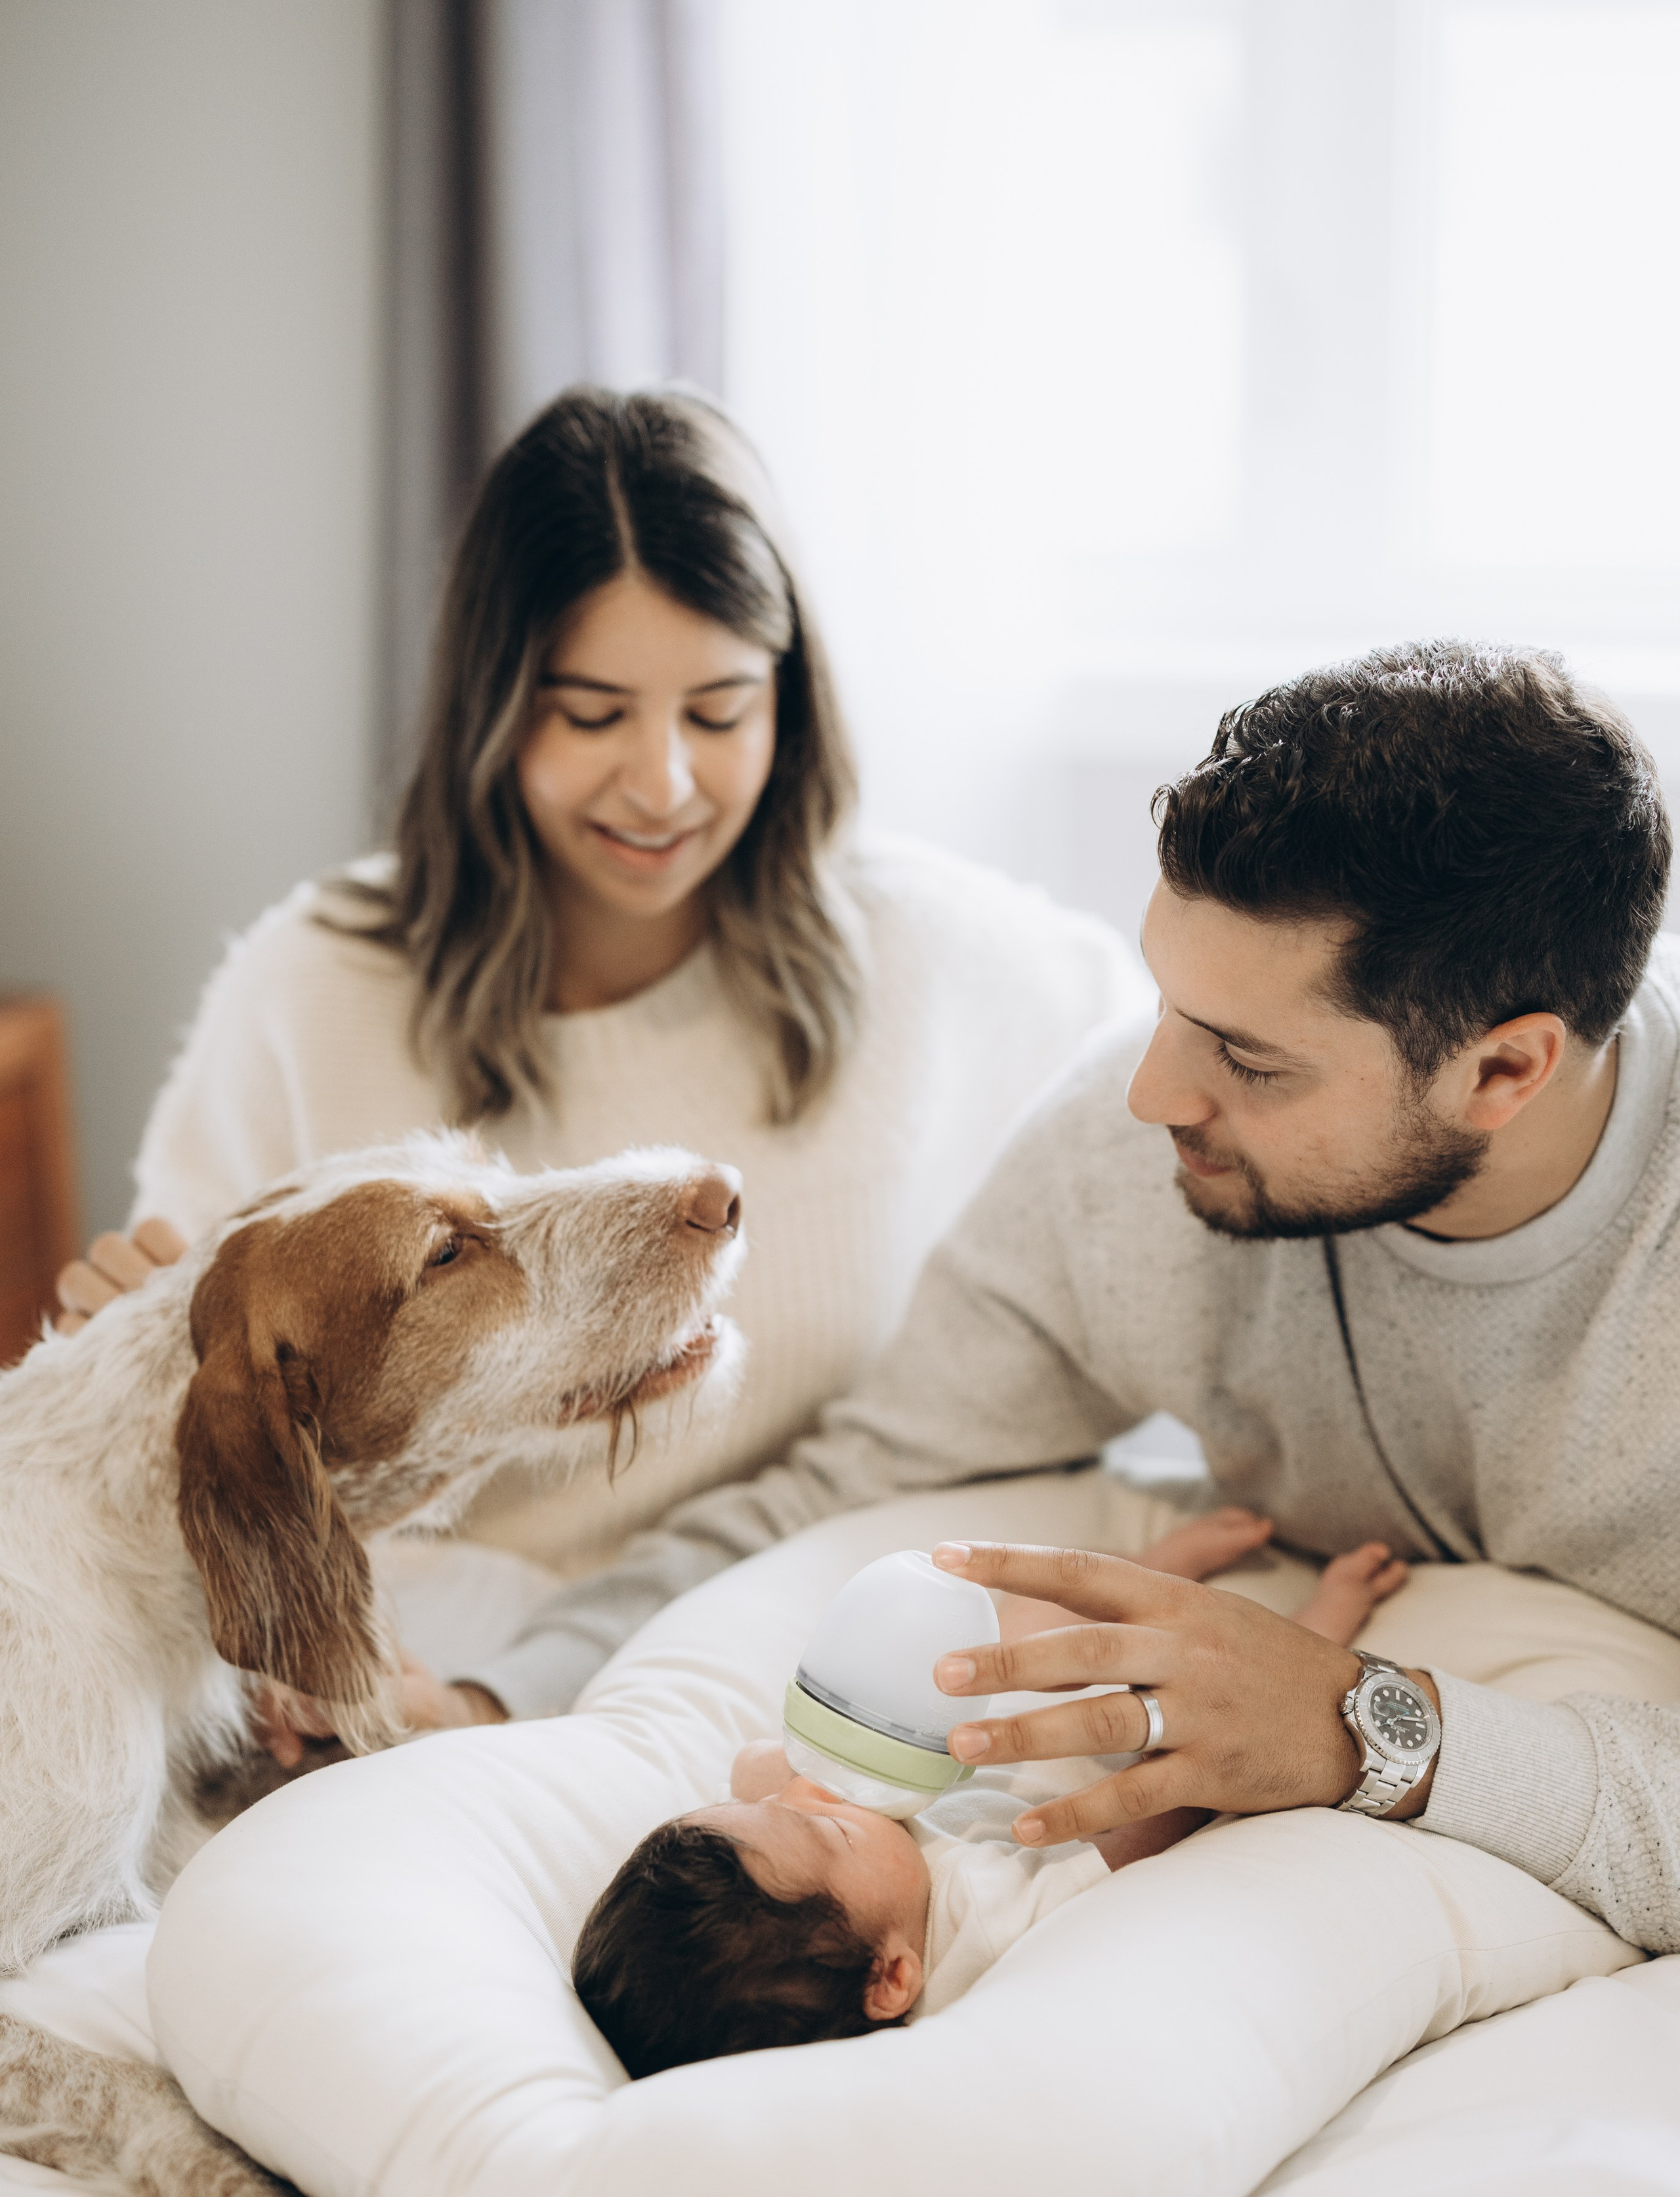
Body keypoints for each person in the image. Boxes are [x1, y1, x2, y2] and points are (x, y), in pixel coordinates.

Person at [518, 639, 1680, 1958]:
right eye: (1167, 1003)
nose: (1149, 1095)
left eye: (1245, 1057)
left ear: (1503, 1070)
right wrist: (507, 1683)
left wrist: (1364, 1724)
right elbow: (870, 1475)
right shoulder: (1124, 1150)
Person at [54, 387, 1142, 1741]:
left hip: (763, 1634)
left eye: (719, 709)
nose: (663, 784)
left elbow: (1177, 1181)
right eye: (590, 713)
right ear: (493, 710)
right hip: (385, 1646)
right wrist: (144, 1335)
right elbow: (208, 1426)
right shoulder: (314, 983)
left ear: (788, 704)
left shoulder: (960, 963)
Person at [572, 1518, 1410, 2075]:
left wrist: (786, 1800)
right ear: (892, 1978)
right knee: (1210, 1709)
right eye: (827, 1835)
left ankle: (1160, 1564)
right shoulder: (988, 1915)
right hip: (1091, 1751)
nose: (808, 1797)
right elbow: (1165, 1809)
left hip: (977, 1736)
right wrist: (1197, 1760)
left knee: (1005, 1644)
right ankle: (1324, 1612)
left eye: (784, 1812)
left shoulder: (838, 1883)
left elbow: (758, 1766)